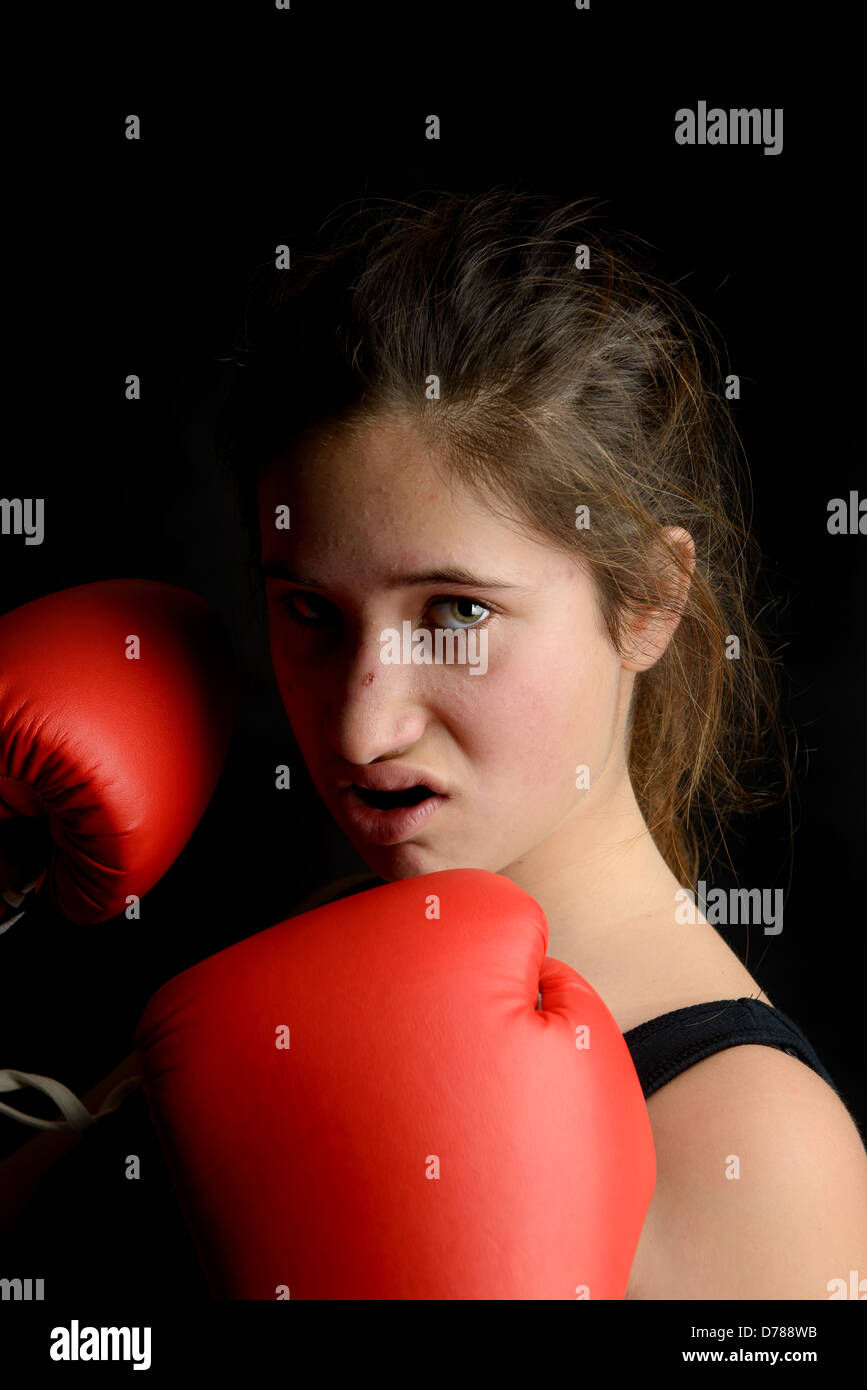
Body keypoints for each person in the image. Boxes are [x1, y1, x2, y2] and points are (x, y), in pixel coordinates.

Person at [5, 189, 866, 1299]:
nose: (363, 725)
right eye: (310, 611)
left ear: (649, 599)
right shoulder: (321, 952)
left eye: (456, 613)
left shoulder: (757, 1156)